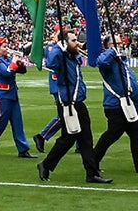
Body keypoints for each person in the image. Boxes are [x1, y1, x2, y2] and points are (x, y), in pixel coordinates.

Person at [36, 28, 110, 183]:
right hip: (68, 104)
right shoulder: (60, 55)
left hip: (78, 102)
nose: (77, 43)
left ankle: (91, 173)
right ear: (65, 43)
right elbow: (51, 63)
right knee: (68, 138)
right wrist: (59, 48)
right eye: (73, 40)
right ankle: (46, 165)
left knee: (85, 139)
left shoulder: (72, 56)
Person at [91, 33, 138, 175]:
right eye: (116, 43)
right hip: (115, 105)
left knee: (136, 134)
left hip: (129, 105)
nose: (121, 45)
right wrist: (112, 50)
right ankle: (92, 160)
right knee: (112, 134)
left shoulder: (121, 62)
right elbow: (101, 62)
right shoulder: (107, 61)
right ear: (108, 46)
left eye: (120, 43)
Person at [0, 36, 35, 158]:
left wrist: (20, 63)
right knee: (0, 122)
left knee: (17, 122)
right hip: (1, 95)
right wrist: (14, 62)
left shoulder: (7, 59)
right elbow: (7, 72)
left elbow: (22, 71)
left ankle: (23, 149)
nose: (6, 49)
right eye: (4, 47)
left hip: (12, 94)